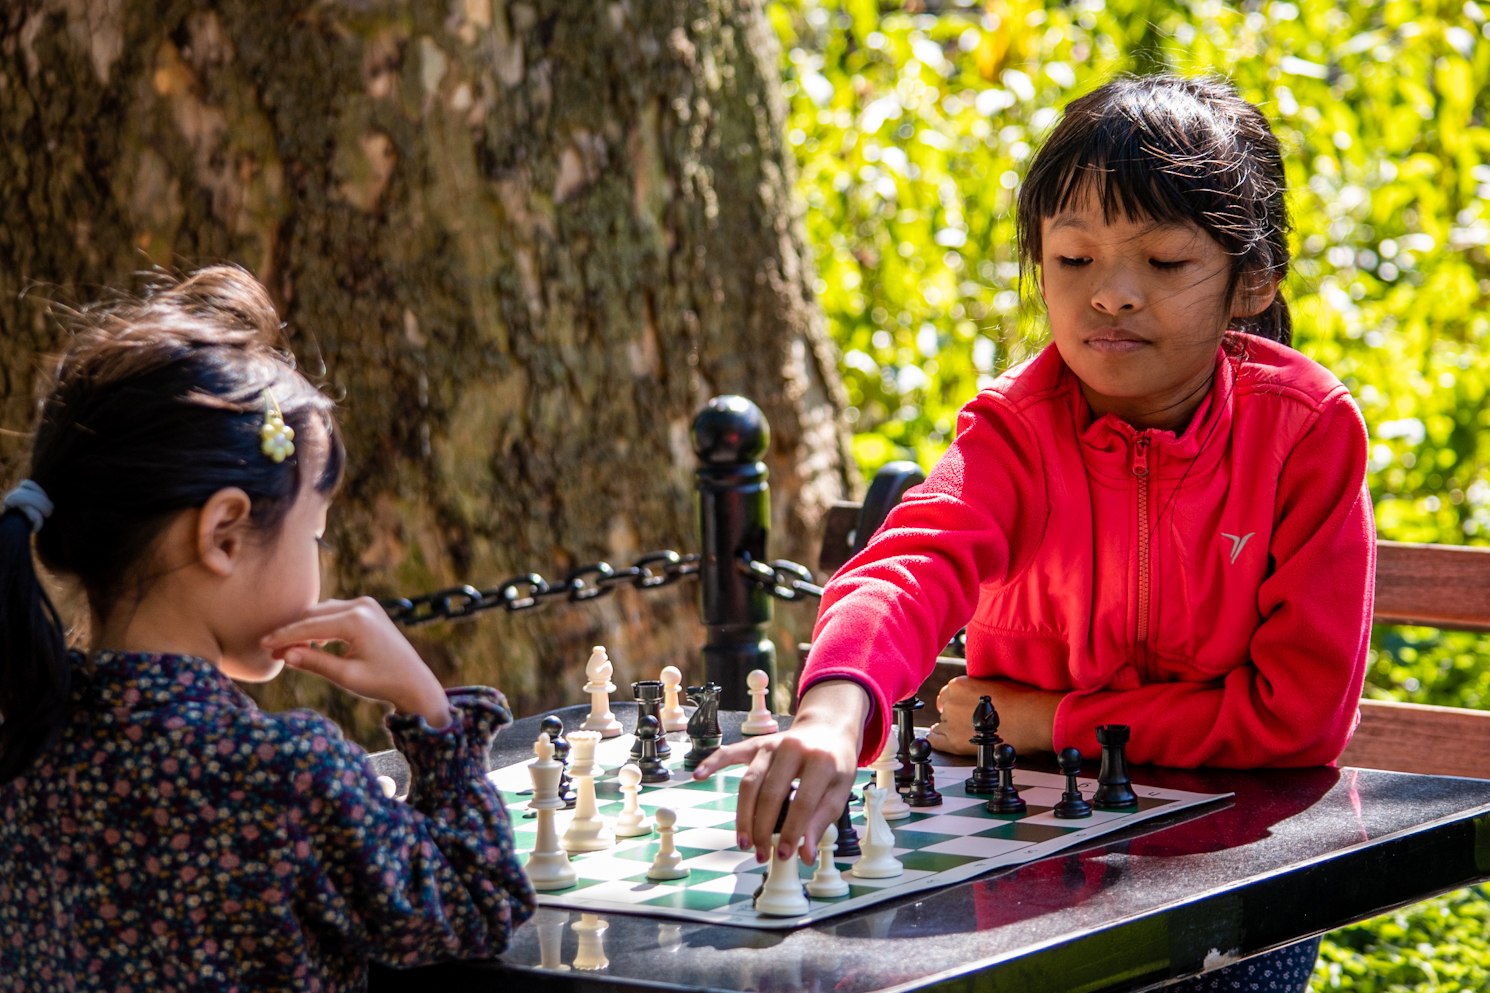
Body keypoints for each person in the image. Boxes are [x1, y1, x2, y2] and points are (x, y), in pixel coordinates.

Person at [695, 74, 1372, 992]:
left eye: (1165, 263)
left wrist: (1053, 720)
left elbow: (1297, 717)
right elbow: (910, 564)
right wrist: (831, 708)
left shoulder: (1305, 432)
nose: (1112, 296)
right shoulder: (1019, 426)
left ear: (1251, 281)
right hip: (1032, 868)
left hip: (1231, 876)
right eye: (1073, 259)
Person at [0, 267, 535, 991]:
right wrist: (433, 715)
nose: (320, 561)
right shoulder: (287, 772)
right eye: (313, 533)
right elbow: (478, 902)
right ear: (223, 533)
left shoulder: (26, 743)